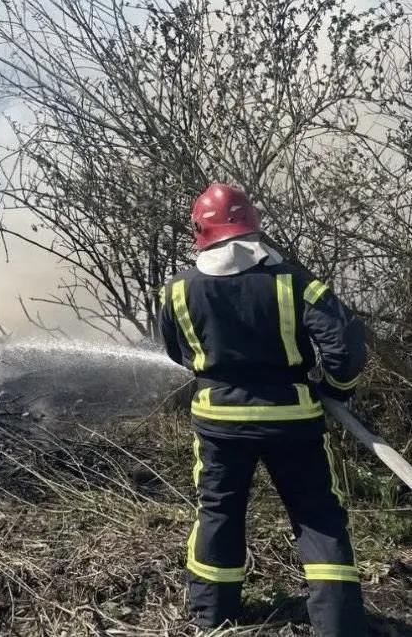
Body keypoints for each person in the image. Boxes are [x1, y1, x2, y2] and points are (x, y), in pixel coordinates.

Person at [157, 182, 368, 636]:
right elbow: (345, 341)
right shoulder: (293, 280)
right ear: (252, 225)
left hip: (218, 422)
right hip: (293, 420)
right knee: (317, 515)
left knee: (219, 512)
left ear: (200, 230)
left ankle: (214, 618)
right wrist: (336, 388)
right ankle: (340, 626)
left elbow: (177, 350)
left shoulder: (178, 289)